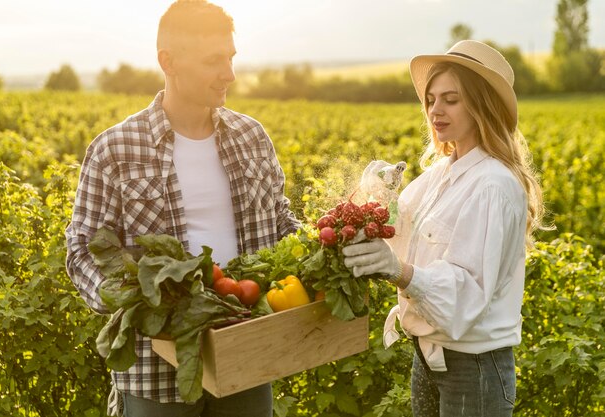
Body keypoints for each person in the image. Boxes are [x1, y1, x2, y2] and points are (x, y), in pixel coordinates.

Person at [65, 1, 300, 416]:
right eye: (214, 61)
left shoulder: (251, 136)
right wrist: (139, 297)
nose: (229, 73)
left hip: (245, 351)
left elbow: (281, 222)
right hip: (157, 368)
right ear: (168, 61)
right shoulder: (115, 148)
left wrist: (324, 248)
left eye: (231, 58)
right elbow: (82, 250)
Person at [343, 40, 546, 416]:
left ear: (482, 104)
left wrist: (398, 271)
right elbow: (398, 228)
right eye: (432, 99)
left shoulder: (493, 185)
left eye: (451, 99)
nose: (436, 110)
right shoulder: (439, 175)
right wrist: (376, 201)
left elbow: (468, 292)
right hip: (429, 356)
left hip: (474, 368)